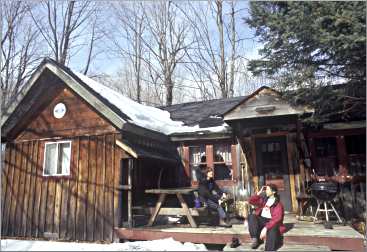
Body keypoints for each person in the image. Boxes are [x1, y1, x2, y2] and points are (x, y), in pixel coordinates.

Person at [247, 184, 286, 251]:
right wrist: (258, 194)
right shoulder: (264, 200)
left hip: (271, 221)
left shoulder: (278, 204)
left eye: (267, 189)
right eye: (266, 189)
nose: (266, 191)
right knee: (252, 216)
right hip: (262, 220)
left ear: (273, 192)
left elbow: (276, 219)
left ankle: (268, 249)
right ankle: (255, 239)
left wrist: (266, 228)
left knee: (272, 228)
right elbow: (251, 201)